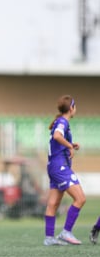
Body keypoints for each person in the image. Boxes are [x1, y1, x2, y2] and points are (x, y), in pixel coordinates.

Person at [44, 95, 85, 246]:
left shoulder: (59, 121)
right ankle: (66, 232)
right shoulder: (62, 121)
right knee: (80, 199)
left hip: (53, 166)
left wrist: (70, 144)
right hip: (60, 166)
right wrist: (68, 146)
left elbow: (57, 139)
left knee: (53, 203)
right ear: (71, 108)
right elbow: (57, 136)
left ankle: (49, 238)